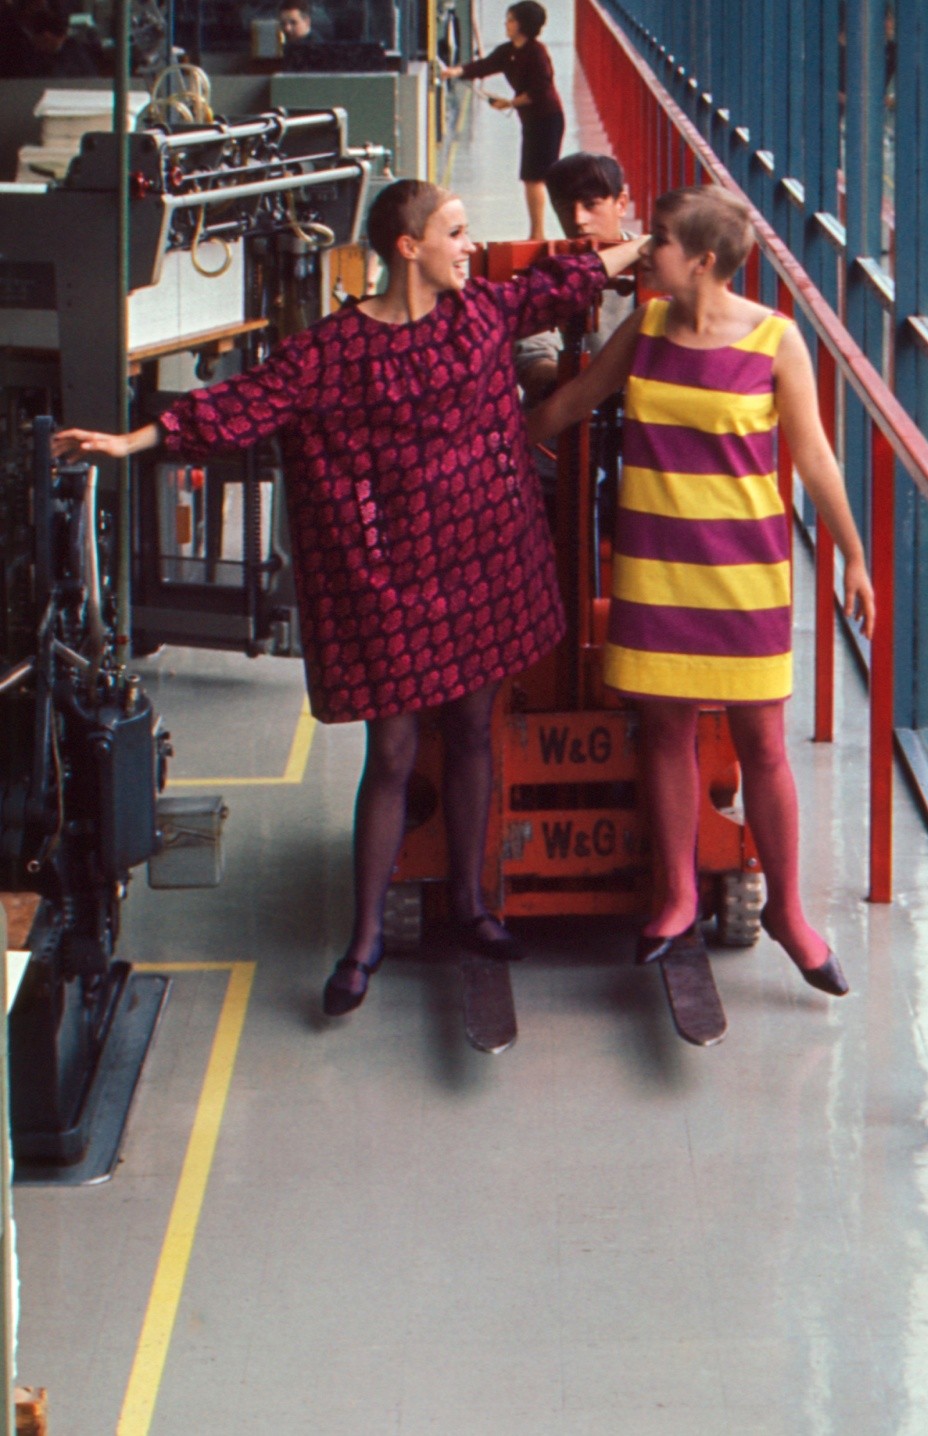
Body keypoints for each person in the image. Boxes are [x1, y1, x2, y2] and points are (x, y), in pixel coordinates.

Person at [55, 180, 647, 1017]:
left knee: (476, 728)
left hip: (482, 566)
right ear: (408, 247)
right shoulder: (330, 351)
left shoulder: (479, 313)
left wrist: (644, 251)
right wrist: (128, 439)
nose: (468, 246)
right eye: (455, 232)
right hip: (395, 583)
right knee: (396, 753)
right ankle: (364, 937)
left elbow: (561, 282)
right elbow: (239, 405)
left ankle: (473, 905)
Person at [529, 186, 876, 995]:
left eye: (662, 243)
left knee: (762, 742)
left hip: (743, 576)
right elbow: (576, 403)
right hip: (655, 567)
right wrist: (486, 445)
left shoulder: (776, 341)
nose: (646, 252)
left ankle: (789, 912)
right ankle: (678, 895)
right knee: (665, 732)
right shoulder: (644, 329)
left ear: (705, 262)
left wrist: (853, 557)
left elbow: (816, 459)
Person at [514, 152, 636, 400]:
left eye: (591, 205)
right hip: (565, 406)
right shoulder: (543, 270)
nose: (579, 220)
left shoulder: (657, 265)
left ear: (621, 204)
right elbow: (533, 362)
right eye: (565, 208)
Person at [441, 2, 563, 242]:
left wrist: (510, 103)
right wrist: (454, 72)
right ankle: (536, 232)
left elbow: (541, 88)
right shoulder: (508, 51)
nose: (506, 24)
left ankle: (538, 234)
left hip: (547, 120)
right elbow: (484, 66)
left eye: (510, 20)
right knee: (531, 176)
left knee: (535, 177)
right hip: (531, 120)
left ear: (523, 25)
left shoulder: (537, 52)